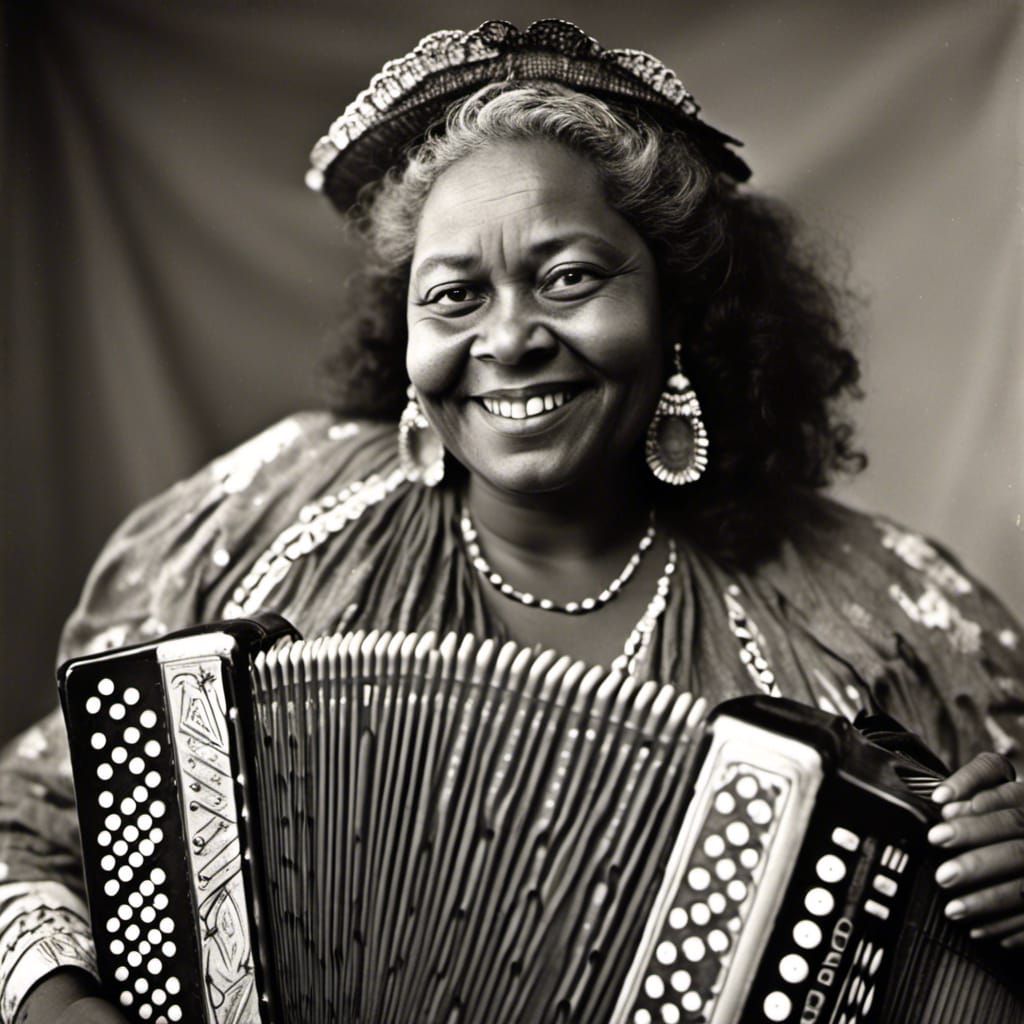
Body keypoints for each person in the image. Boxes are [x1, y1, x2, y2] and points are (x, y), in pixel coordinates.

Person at [2, 18, 1022, 1024]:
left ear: (678, 315)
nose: (509, 338)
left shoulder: (878, 615)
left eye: (569, 277)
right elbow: (27, 826)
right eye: (452, 295)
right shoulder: (273, 520)